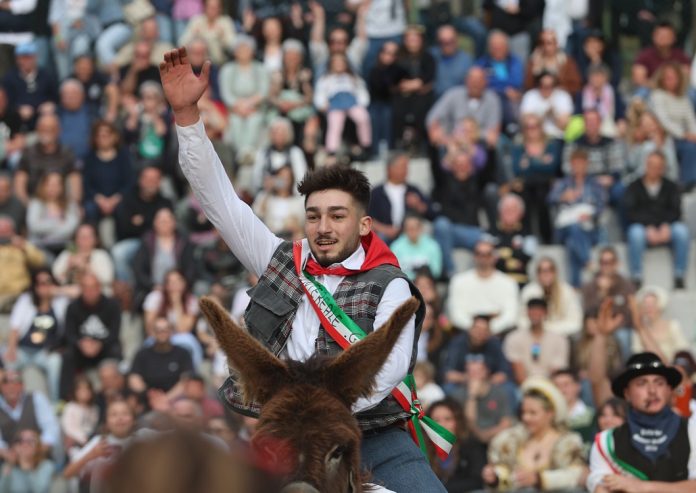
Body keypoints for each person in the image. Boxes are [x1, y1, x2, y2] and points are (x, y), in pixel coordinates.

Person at [160, 46, 443, 491]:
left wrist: (313, 410)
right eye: (314, 216)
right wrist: (187, 117)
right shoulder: (278, 258)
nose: (323, 228)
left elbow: (385, 371)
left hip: (372, 436)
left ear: (364, 224)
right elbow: (221, 202)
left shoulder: (390, 285)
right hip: (284, 436)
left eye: (337, 216)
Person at [587, 352, 696, 492]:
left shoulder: (692, 430)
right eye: (641, 383)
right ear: (627, 393)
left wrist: (642, 487)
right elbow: (602, 488)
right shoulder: (606, 442)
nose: (652, 391)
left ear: (669, 389)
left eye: (659, 383)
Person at [482, 377, 587, 491]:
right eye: (524, 412)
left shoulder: (568, 442)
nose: (526, 418)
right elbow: (506, 477)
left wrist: (540, 479)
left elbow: (577, 475)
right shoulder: (510, 440)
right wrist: (496, 477)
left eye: (533, 413)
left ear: (550, 413)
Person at [624, 150, 690, 289]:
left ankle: (679, 274)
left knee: (682, 232)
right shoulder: (634, 186)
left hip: (666, 228)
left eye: (657, 166)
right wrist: (648, 226)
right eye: (651, 165)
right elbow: (631, 212)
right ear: (646, 165)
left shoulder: (671, 186)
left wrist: (665, 225)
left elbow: (676, 210)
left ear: (662, 168)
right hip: (644, 228)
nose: (653, 169)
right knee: (635, 233)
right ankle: (636, 276)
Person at [5, 269, 67, 402]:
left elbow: (79, 291)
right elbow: (15, 327)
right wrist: (11, 349)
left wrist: (56, 291)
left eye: (48, 282)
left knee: (56, 362)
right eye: (40, 283)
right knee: (7, 364)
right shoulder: (26, 300)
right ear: (35, 286)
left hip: (44, 353)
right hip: (23, 351)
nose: (44, 286)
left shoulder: (61, 301)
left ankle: (55, 403)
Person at [548, 148, 607, 288]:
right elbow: (550, 199)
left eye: (581, 163)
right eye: (575, 164)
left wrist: (590, 214)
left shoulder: (594, 184)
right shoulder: (563, 183)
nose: (578, 167)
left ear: (587, 164)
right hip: (565, 227)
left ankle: (575, 285)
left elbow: (602, 205)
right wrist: (562, 197)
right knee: (574, 227)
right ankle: (588, 262)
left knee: (572, 242)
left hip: (588, 227)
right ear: (571, 165)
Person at [60, 273, 122, 399]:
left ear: (99, 288)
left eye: (93, 288)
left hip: (105, 348)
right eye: (86, 288)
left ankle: (113, 398)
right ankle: (66, 398)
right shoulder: (73, 307)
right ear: (81, 289)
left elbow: (114, 334)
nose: (90, 292)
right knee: (68, 356)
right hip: (81, 350)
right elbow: (69, 334)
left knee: (115, 352)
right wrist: (81, 343)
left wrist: (100, 344)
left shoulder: (112, 305)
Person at [446, 239, 519, 335]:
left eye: (487, 254)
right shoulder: (458, 281)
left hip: (499, 334)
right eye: (479, 254)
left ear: (495, 257)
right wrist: (476, 330)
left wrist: (489, 329)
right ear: (474, 256)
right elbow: (456, 314)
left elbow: (511, 315)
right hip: (466, 334)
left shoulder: (508, 283)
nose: (483, 258)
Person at [63, 399, 136, 492]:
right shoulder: (99, 443)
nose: (120, 418)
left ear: (134, 419)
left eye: (125, 413)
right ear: (106, 422)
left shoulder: (143, 438)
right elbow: (67, 473)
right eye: (114, 414)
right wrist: (92, 454)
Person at [368, 152, 433, 244]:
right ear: (389, 169)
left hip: (410, 234)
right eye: (402, 167)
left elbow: (431, 213)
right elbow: (367, 217)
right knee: (379, 241)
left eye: (406, 167)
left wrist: (418, 204)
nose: (406, 171)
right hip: (384, 233)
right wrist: (384, 229)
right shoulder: (377, 192)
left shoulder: (413, 190)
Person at [504, 298, 570, 384]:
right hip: (522, 384)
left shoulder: (559, 339)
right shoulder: (513, 338)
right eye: (532, 310)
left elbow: (557, 370)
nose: (535, 314)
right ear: (527, 312)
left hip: (550, 384)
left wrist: (545, 388)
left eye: (539, 310)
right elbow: (518, 372)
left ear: (546, 313)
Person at [427, 398, 486, 493]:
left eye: (448, 419)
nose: (442, 425)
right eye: (436, 420)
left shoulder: (471, 444)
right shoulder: (422, 447)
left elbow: (477, 480)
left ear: (458, 421)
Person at [0, 370, 60, 458]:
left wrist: (37, 451)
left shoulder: (36, 398)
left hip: (39, 457)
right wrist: (8, 455)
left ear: (22, 385)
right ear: (1, 386)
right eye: (6, 382)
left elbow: (51, 429)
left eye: (16, 382)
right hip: (9, 460)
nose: (11, 386)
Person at [519, 257, 582, 336]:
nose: (546, 274)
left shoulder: (567, 291)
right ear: (537, 274)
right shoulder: (529, 291)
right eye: (542, 271)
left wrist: (548, 329)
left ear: (555, 272)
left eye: (550, 270)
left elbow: (575, 323)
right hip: (533, 335)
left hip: (561, 336)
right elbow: (521, 320)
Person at [52, 223, 114, 298]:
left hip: (97, 294)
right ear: (75, 239)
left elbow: (107, 279)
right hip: (68, 292)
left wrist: (85, 267)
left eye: (88, 236)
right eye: (81, 236)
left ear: (96, 239)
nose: (85, 239)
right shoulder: (68, 254)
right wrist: (68, 267)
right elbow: (56, 275)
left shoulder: (100, 255)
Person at [631, 286, 691, 362]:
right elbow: (637, 352)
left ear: (660, 304)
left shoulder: (673, 326)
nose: (649, 308)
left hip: (671, 365)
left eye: (652, 304)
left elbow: (683, 351)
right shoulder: (639, 330)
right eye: (646, 304)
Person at [0, 217, 46, 313]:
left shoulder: (21, 245)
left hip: (19, 294)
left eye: (6, 232)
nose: (3, 236)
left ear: (13, 232)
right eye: (1, 232)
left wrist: (24, 246)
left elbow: (40, 261)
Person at [0, 428, 54, 493]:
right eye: (20, 440)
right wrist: (9, 466)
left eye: (30, 441)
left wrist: (25, 464)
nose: (25, 445)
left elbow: (40, 490)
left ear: (38, 446)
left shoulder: (46, 466)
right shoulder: (9, 466)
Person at [61, 376, 99, 459]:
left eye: (87, 389)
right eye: (80, 390)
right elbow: (68, 427)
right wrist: (83, 439)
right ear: (74, 391)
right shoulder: (70, 407)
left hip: (90, 440)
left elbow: (93, 425)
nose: (84, 392)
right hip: (76, 443)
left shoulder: (94, 408)